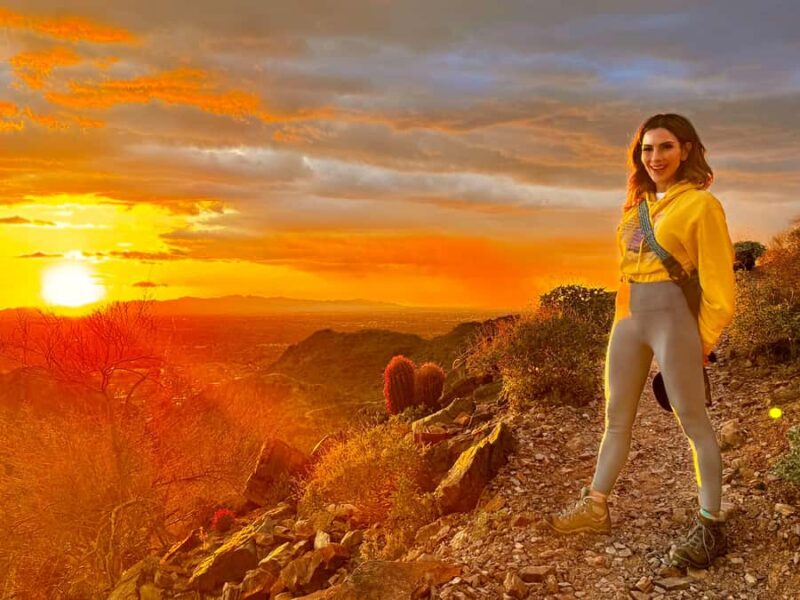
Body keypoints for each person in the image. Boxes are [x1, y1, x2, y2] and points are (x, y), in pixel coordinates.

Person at [543, 113, 736, 570]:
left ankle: (710, 525)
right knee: (616, 419)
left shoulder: (702, 207)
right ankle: (595, 506)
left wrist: (702, 342)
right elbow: (625, 271)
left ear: (686, 150)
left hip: (674, 322)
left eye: (665, 147)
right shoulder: (637, 207)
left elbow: (721, 291)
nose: (655, 157)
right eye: (647, 149)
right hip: (629, 320)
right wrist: (619, 323)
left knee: (693, 423)